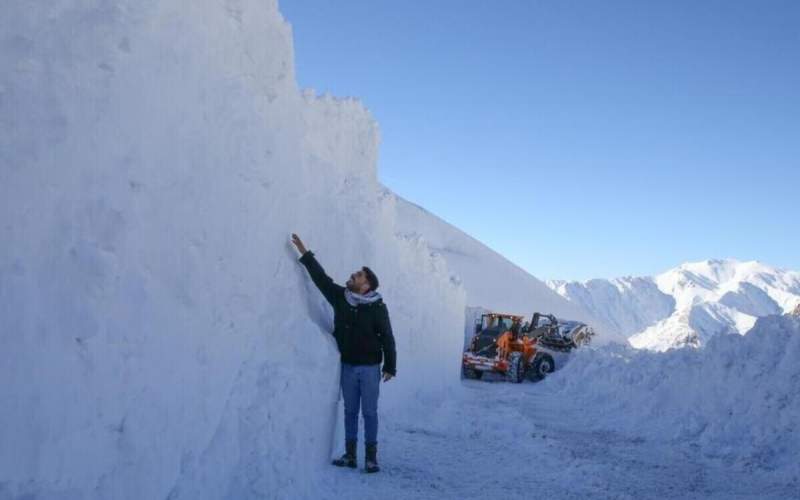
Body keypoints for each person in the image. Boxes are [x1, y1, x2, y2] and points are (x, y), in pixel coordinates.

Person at [291, 233, 396, 474]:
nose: (353, 276)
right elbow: (321, 280)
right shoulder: (341, 298)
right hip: (348, 367)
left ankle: (371, 458)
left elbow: (388, 337)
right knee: (350, 411)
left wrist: (390, 366)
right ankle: (350, 455)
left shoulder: (378, 308)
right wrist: (305, 253)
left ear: (366, 285)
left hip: (370, 369)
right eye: (355, 274)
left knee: (369, 412)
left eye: (358, 275)